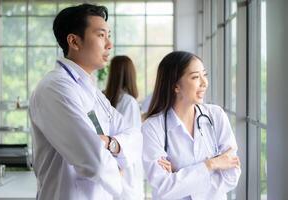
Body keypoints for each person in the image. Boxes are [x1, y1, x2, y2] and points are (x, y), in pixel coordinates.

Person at [29, 4, 142, 200]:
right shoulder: (55, 88)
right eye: (101, 35)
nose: (109, 44)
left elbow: (136, 137)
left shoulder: (92, 91)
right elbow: (94, 161)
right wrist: (118, 169)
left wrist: (110, 143)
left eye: (109, 35)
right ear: (74, 41)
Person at [142, 51, 241, 200]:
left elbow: (232, 175)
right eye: (195, 77)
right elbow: (163, 188)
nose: (204, 82)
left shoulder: (216, 116)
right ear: (176, 86)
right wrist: (211, 164)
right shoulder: (153, 128)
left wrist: (179, 176)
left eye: (204, 75)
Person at [104, 55, 144, 200]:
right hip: (126, 171)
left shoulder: (105, 99)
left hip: (110, 169)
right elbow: (131, 140)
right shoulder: (129, 102)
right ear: (130, 74)